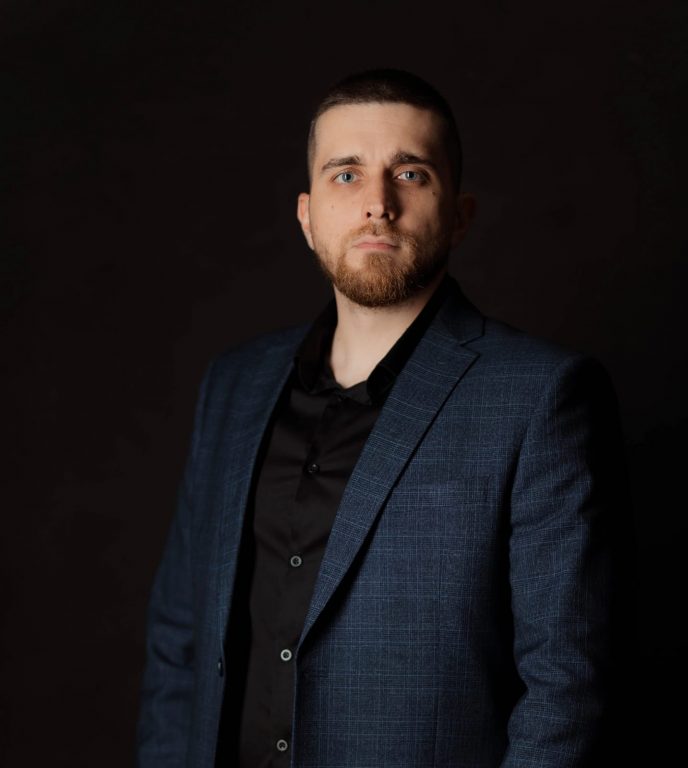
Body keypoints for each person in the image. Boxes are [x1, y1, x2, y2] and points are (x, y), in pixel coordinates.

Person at [136, 68, 630, 768]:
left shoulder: (542, 396)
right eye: (346, 174)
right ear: (307, 217)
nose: (377, 204)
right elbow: (179, 640)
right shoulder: (233, 386)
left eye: (410, 174)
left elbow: (567, 685)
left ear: (459, 214)